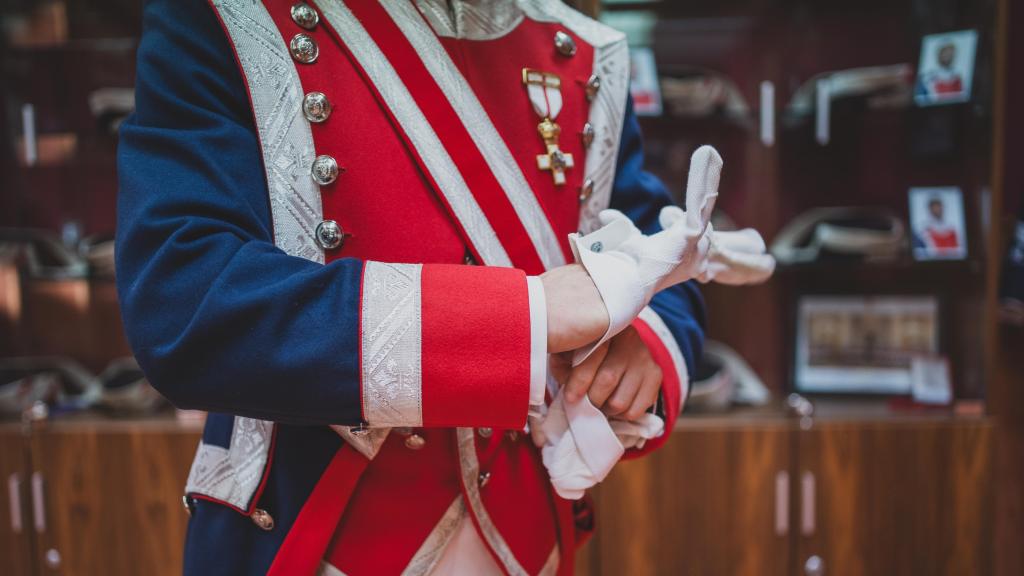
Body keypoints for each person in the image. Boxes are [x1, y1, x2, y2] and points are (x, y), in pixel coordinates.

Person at [116, 1, 705, 574]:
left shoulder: (583, 50)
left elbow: (654, 242)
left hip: (531, 535)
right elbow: (184, 302)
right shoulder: (223, 15)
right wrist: (526, 318)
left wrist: (641, 346)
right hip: (316, 534)